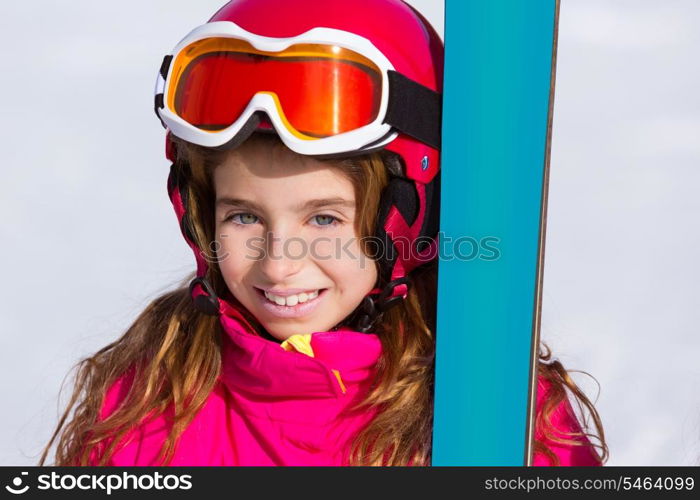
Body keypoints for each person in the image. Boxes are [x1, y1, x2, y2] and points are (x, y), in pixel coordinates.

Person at [39, 0, 607, 466]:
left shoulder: (499, 405)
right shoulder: (149, 400)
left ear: (406, 216)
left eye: (324, 219)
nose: (279, 265)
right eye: (244, 216)